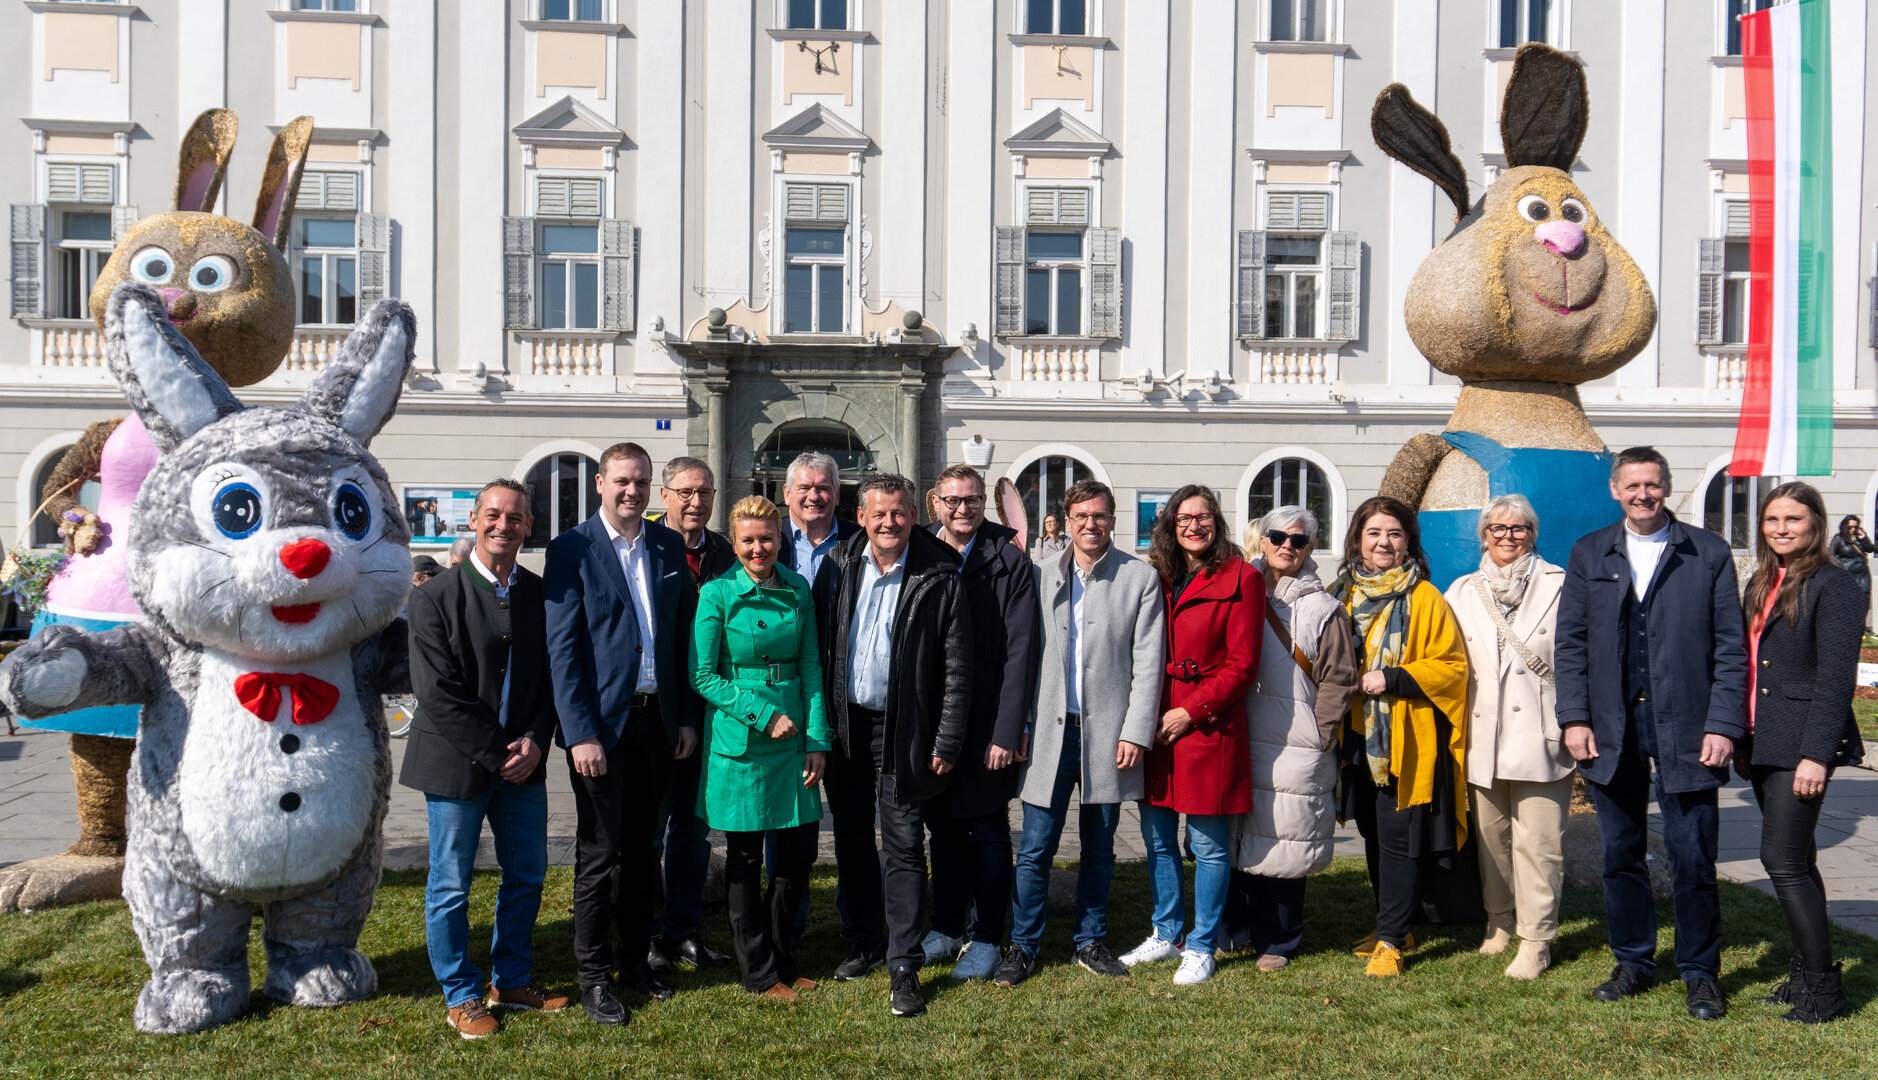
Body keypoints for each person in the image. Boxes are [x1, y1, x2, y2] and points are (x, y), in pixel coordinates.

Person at [1554, 446, 1746, 1021]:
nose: (1643, 494)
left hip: (1688, 724)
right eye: (1632, 485)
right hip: (1612, 726)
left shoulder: (1705, 552)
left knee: (1693, 857)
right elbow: (1572, 645)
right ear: (1616, 490)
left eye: (1653, 485)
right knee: (1621, 854)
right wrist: (1575, 717)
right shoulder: (1591, 551)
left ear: (1667, 488)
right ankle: (1634, 960)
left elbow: (1731, 648)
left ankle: (1700, 972)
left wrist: (1722, 723)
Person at [402, 479, 570, 1038]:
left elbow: (552, 680)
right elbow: (438, 693)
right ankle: (461, 994)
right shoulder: (433, 596)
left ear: (528, 526)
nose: (504, 525)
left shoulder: (541, 594)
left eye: (516, 518)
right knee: (451, 883)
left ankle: (513, 979)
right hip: (457, 764)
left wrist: (538, 740)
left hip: (525, 760)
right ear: (473, 520)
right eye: (493, 515)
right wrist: (502, 753)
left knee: (527, 873)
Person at [544, 442, 701, 1027]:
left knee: (643, 852)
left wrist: (684, 716)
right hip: (601, 730)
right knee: (600, 854)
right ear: (600, 485)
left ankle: (636, 963)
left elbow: (681, 636)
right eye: (621, 482)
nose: (631, 491)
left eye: (640, 481)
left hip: (656, 721)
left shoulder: (666, 544)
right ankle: (593, 977)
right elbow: (563, 652)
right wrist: (579, 732)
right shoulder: (572, 549)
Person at [998, 479, 1166, 989]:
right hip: (1049, 733)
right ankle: (1023, 944)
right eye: (1080, 517)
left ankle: (1090, 939)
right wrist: (1021, 726)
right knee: (1035, 847)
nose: (1090, 525)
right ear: (1066, 522)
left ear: (1112, 520)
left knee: (1099, 846)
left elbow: (1148, 662)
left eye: (1099, 516)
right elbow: (1020, 659)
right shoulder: (1041, 574)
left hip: (1109, 737)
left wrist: (1136, 732)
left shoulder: (1140, 578)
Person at [822, 473, 972, 1017]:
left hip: (904, 729)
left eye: (899, 513)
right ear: (860, 516)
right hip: (846, 726)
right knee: (854, 839)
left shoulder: (939, 574)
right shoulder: (837, 566)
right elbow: (820, 653)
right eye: (878, 513)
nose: (889, 522)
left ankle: (903, 965)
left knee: (905, 843)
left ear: (915, 515)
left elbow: (958, 668)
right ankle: (865, 941)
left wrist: (947, 739)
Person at [690, 496, 831, 1001]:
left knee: (797, 857)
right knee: (746, 860)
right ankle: (758, 971)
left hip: (795, 741)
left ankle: (783, 959)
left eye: (767, 539)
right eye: (748, 540)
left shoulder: (798, 589)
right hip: (743, 739)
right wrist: (763, 714)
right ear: (734, 542)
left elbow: (812, 666)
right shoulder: (717, 594)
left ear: (779, 539)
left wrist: (817, 738)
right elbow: (702, 676)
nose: (758, 549)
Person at [1120, 485, 1262, 985]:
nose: (1194, 526)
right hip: (1154, 720)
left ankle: (1201, 945)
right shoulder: (1156, 576)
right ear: (1170, 523)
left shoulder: (1242, 577)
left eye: (1203, 517)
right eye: (1184, 517)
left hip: (1207, 724)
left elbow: (1243, 665)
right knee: (1157, 840)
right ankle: (1165, 931)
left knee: (1207, 845)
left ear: (1217, 522)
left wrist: (1191, 710)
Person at [1739, 482, 1866, 1023]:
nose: (1781, 529)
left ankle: (1823, 990)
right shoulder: (1764, 579)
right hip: (1762, 739)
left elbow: (1838, 678)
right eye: (1772, 520)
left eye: (1793, 519)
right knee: (1799, 860)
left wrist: (1817, 753)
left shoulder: (1834, 586)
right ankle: (1804, 976)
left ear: (1816, 522)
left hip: (1801, 743)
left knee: (1782, 861)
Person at [1329, 495, 1469, 978]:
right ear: (1358, 541)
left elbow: (1451, 667)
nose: (1383, 542)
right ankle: (1396, 925)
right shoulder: (1342, 593)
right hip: (1355, 738)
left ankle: (1392, 940)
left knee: (1396, 838)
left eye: (1394, 533)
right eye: (1374, 533)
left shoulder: (1425, 597)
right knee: (1370, 831)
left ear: (1408, 541)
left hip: (1403, 742)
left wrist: (1390, 678)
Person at [1219, 507, 1359, 971]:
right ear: (1261, 540)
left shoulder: (1325, 609)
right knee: (1237, 836)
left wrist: (1320, 734)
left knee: (1286, 840)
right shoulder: (1239, 591)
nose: (1286, 546)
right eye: (1277, 536)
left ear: (1310, 548)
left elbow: (1339, 678)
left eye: (1297, 540)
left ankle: (1279, 939)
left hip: (1295, 742)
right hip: (1240, 734)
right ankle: (1233, 930)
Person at [1444, 495, 1573, 981]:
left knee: (1540, 844)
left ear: (1532, 534)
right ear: (1483, 534)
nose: (1507, 536)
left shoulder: (1561, 585)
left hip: (1541, 735)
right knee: (1491, 841)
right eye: (1497, 528)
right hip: (1483, 736)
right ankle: (1499, 921)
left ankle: (1536, 939)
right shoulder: (1461, 590)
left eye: (1518, 528)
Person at [922, 464, 1041, 980]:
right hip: (935, 721)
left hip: (989, 721)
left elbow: (1021, 651)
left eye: (971, 500)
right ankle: (946, 928)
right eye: (952, 501)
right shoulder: (922, 549)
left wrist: (1007, 731)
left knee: (988, 832)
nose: (962, 509)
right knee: (942, 830)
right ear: (935, 504)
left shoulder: (1006, 556)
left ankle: (987, 936)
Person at [646, 456, 733, 974]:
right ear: (665, 495)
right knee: (651, 831)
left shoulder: (726, 551)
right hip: (658, 712)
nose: (695, 502)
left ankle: (684, 930)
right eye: (684, 492)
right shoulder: (648, 548)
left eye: (704, 493)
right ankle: (651, 931)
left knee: (694, 831)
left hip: (710, 713)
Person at [775, 450, 862, 945]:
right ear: (786, 493)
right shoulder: (766, 539)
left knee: (851, 821)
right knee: (784, 823)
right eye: (803, 487)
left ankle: (855, 923)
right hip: (782, 705)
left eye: (823, 487)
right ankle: (789, 923)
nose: (813, 496)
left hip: (845, 702)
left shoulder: (859, 540)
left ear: (837, 493)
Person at [1829, 515, 1873, 631]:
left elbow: (1871, 549)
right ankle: (1846, 626)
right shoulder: (1839, 539)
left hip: (1862, 573)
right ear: (1845, 526)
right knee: (1847, 600)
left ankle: (1860, 627)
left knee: (1865, 599)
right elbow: (1830, 555)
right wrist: (1843, 565)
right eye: (1850, 527)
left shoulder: (1860, 538)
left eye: (1855, 526)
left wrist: (1864, 539)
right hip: (1848, 574)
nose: (1853, 529)